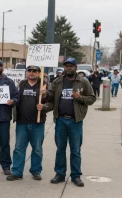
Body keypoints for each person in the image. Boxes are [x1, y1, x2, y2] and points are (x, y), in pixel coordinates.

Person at [38, 58, 96, 187]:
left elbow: (92, 99)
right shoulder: (57, 82)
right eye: (66, 66)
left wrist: (80, 97)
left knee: (75, 150)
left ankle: (76, 176)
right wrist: (44, 94)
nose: (68, 68)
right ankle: (60, 174)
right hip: (61, 120)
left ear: (75, 67)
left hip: (76, 121)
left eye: (71, 66)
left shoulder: (83, 81)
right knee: (60, 149)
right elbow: (51, 98)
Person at [7, 66, 48, 181]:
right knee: (19, 148)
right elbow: (16, 98)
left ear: (39, 73)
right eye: (29, 71)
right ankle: (17, 172)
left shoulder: (43, 85)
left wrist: (44, 99)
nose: (31, 73)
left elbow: (50, 101)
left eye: (34, 71)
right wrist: (12, 102)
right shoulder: (21, 84)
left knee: (37, 149)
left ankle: (36, 171)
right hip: (22, 123)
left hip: (37, 123)